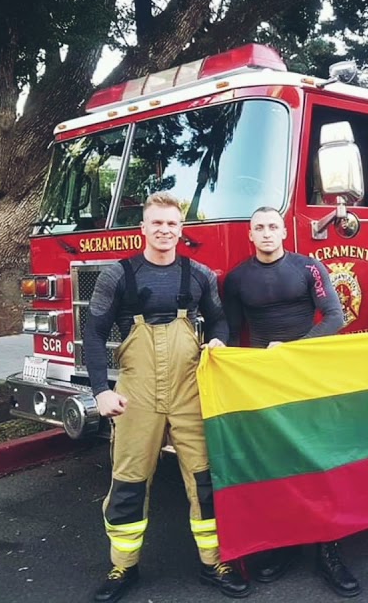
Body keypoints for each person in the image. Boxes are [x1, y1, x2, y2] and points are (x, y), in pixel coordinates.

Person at [82, 192, 251, 602]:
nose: (164, 230)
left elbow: (220, 321)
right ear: (142, 228)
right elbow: (94, 333)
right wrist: (102, 391)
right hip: (136, 392)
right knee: (129, 480)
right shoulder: (118, 275)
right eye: (156, 223)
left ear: (181, 230)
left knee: (204, 478)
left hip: (190, 388)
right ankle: (123, 567)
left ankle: (214, 563)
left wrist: (216, 341)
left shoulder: (198, 275)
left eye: (172, 224)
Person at [222, 206, 360, 598]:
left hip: (306, 373)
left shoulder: (308, 267)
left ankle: (328, 549)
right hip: (265, 380)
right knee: (277, 461)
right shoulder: (237, 279)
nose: (267, 233)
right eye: (259, 228)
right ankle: (284, 543)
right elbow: (232, 333)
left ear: (284, 231)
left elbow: (335, 317)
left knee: (319, 459)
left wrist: (296, 349)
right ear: (250, 234)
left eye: (273, 227)